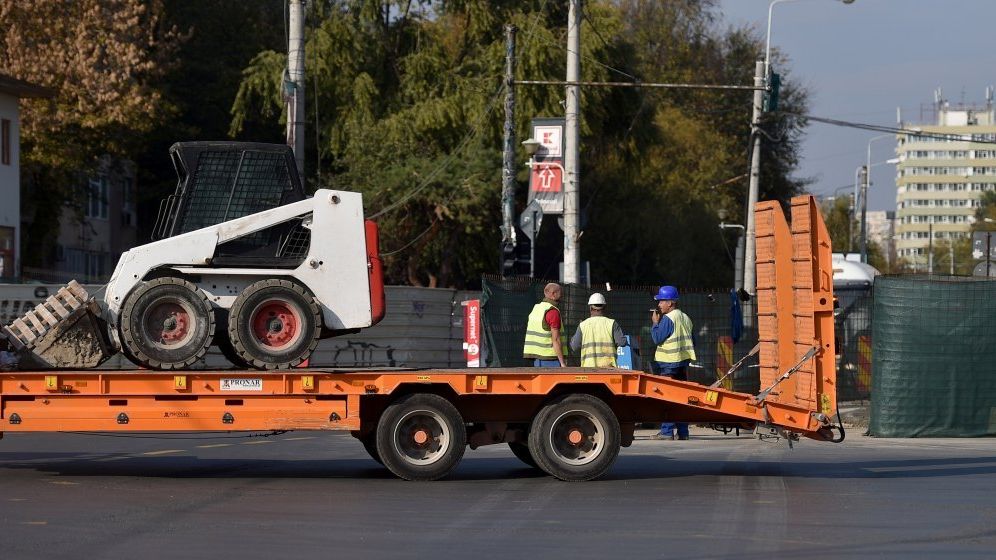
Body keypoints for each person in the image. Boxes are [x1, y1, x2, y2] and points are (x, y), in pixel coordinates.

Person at [650, 285, 696, 440]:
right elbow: (692, 341)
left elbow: (657, 338)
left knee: (667, 398)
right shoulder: (685, 317)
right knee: (681, 399)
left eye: (661, 301)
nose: (659, 304)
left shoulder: (668, 319)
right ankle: (683, 432)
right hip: (682, 363)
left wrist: (655, 324)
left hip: (669, 364)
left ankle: (666, 432)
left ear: (670, 303)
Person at [570, 293, 626, 367]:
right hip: (609, 369)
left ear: (590, 307)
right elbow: (622, 342)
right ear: (604, 307)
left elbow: (574, 346)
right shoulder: (612, 323)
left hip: (588, 369)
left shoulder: (583, 325)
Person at [523, 282, 567, 367]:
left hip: (537, 360)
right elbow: (556, 339)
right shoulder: (552, 311)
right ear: (553, 294)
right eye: (560, 292)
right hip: (551, 360)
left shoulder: (536, 308)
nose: (562, 295)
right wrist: (562, 363)